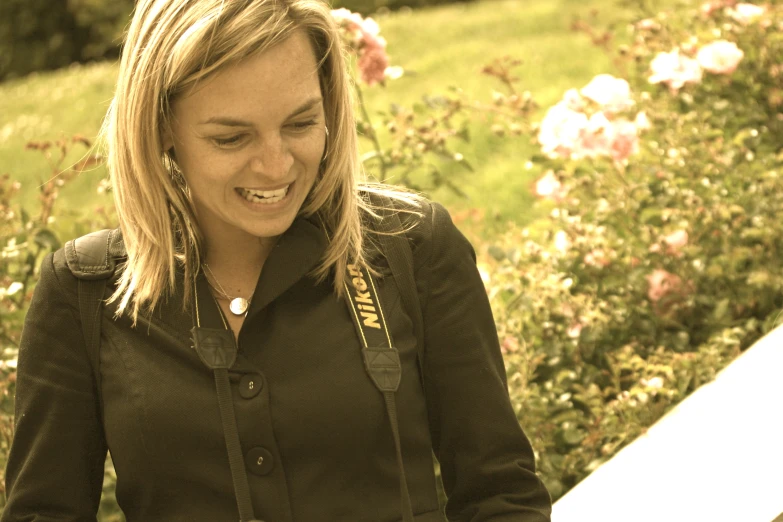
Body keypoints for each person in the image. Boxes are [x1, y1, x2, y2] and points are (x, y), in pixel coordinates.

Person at [2, 0, 553, 520]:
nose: (275, 165)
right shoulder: (83, 292)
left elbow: (501, 495)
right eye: (231, 137)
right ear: (161, 127)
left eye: (300, 123)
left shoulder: (412, 246)